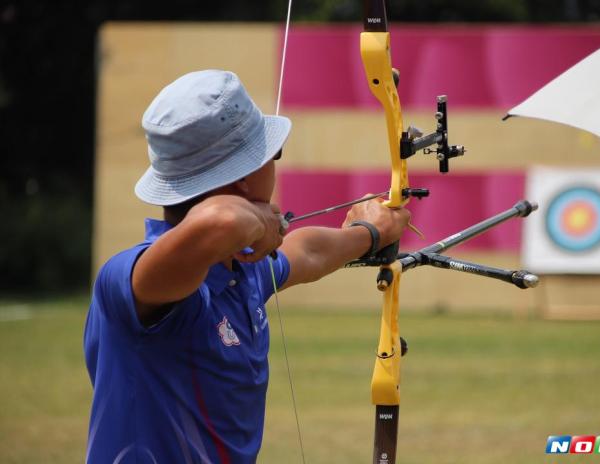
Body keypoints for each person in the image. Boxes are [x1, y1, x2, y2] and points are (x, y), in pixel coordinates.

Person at [83, 69, 411, 463]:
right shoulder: (132, 279)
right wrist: (258, 222)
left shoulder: (240, 268)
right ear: (243, 179)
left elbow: (306, 252)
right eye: (271, 155)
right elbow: (220, 221)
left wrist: (370, 232)